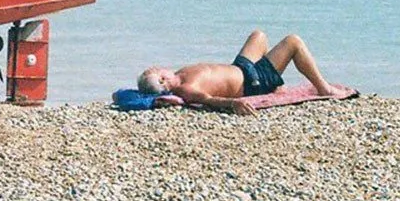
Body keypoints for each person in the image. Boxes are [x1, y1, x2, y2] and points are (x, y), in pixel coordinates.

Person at [136, 30, 337, 117]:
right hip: (252, 82)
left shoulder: (180, 74)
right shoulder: (185, 89)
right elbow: (208, 99)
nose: (160, 66)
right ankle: (323, 88)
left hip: (241, 68)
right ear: (163, 79)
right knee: (293, 42)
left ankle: (276, 84)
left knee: (258, 36)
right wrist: (233, 103)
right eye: (157, 69)